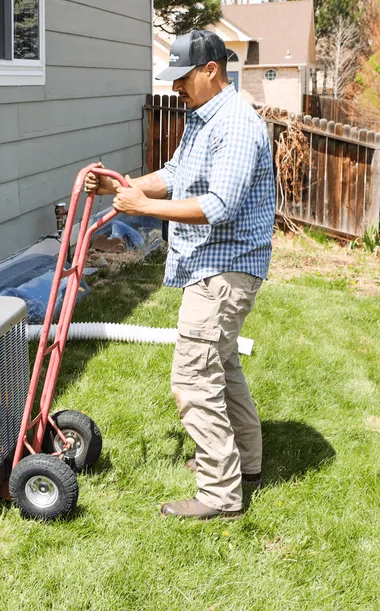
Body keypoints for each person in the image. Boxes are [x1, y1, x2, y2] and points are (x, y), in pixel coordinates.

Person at [86, 29, 275, 520]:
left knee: (192, 380)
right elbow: (174, 173)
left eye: (183, 77)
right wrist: (118, 188)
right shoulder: (204, 118)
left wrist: (147, 207)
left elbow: (219, 205)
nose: (176, 88)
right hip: (214, 265)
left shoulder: (234, 125)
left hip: (224, 267)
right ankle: (246, 464)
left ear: (211, 70)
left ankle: (219, 494)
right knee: (222, 367)